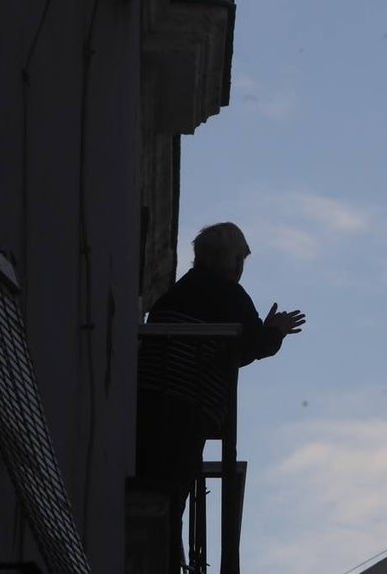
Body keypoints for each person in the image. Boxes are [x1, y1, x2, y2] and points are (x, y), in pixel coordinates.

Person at [135, 222, 306, 573]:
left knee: (151, 489)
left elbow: (224, 350)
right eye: (239, 259)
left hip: (147, 404)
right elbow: (252, 346)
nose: (241, 268)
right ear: (230, 260)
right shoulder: (229, 296)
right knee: (172, 497)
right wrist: (274, 331)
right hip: (189, 409)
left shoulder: (175, 293)